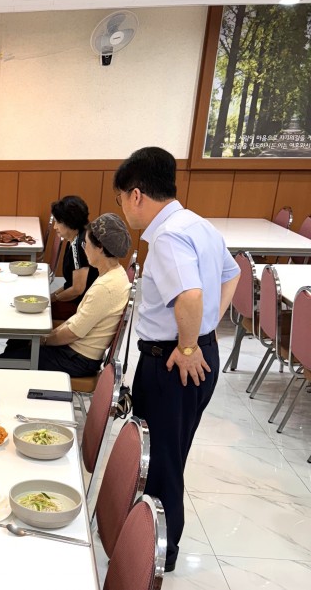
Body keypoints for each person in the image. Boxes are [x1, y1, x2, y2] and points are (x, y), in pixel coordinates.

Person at [113, 146, 240, 573]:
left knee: (163, 461)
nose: (124, 210)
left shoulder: (166, 236)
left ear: (135, 195)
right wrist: (204, 332)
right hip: (197, 354)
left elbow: (189, 295)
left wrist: (187, 346)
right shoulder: (198, 224)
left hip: (173, 361)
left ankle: (154, 557)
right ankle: (149, 543)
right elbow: (232, 274)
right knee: (171, 452)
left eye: (120, 200)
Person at [0, 213, 132, 375]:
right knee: (17, 341)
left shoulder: (105, 287)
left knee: (4, 361)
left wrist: (44, 340)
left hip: (77, 359)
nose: (84, 248)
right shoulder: (115, 274)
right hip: (77, 352)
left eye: (86, 244)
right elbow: (77, 322)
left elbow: (73, 333)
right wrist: (47, 336)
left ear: (100, 248)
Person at [50, 195, 99, 320]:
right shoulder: (80, 237)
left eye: (58, 222)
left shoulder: (78, 245)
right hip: (87, 301)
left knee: (35, 315)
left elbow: (77, 289)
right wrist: (52, 296)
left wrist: (52, 299)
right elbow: (70, 285)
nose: (55, 227)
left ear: (69, 222)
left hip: (83, 307)